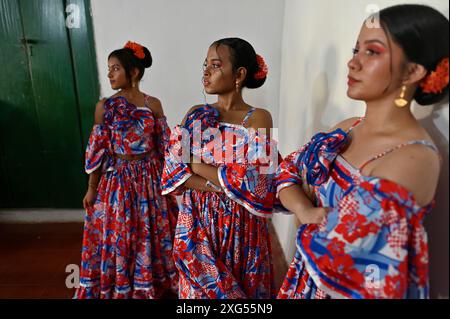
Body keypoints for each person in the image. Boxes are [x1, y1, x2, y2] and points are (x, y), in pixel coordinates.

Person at [276, 4, 448, 299]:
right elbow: (285, 173)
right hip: (301, 283)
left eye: (372, 52)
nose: (352, 63)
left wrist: (302, 204)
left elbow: (340, 252)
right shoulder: (348, 127)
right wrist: (305, 209)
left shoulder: (415, 158)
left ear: (413, 70)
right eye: (356, 50)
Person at [161, 38, 279, 299]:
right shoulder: (196, 114)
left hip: (241, 225)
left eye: (215, 65)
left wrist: (194, 163)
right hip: (197, 220)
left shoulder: (259, 117)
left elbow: (258, 182)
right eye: (205, 64)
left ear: (239, 74)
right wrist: (224, 184)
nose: (206, 71)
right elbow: (173, 172)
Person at [75, 41, 179, 299]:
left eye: (115, 68)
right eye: (108, 68)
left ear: (133, 72)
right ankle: (122, 284)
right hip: (117, 180)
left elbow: (166, 146)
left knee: (150, 230)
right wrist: (91, 189)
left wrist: (175, 184)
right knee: (122, 233)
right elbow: (97, 151)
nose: (109, 74)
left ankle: (151, 283)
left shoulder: (153, 104)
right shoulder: (105, 107)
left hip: (150, 178)